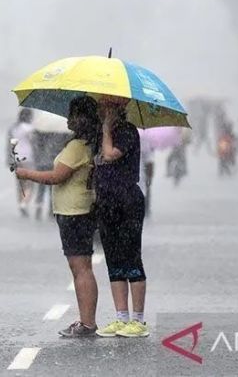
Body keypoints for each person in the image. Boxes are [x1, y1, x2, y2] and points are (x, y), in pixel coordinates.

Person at [15, 97, 101, 337]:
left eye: (73, 115)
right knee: (81, 267)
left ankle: (87, 323)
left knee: (81, 268)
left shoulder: (77, 147)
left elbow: (57, 176)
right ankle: (86, 320)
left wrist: (26, 173)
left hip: (74, 211)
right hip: (80, 209)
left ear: (83, 118)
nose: (69, 120)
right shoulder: (89, 143)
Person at [93, 95, 149, 338]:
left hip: (127, 202)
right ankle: (120, 317)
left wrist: (106, 129)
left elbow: (109, 155)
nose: (102, 111)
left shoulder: (127, 132)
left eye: (106, 107)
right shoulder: (101, 132)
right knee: (114, 260)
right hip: (107, 203)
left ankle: (138, 320)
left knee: (131, 258)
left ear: (117, 109)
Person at [8, 109, 36, 216]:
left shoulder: (15, 128)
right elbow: (34, 142)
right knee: (30, 184)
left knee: (20, 183)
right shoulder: (30, 129)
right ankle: (24, 203)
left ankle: (20, 203)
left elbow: (12, 143)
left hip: (17, 157)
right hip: (28, 157)